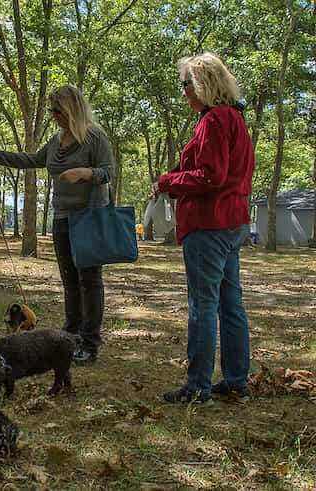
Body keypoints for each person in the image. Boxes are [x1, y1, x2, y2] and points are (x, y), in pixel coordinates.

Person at [0, 85, 115, 364]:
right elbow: (33, 159)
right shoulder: (56, 141)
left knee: (89, 282)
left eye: (58, 110)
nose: (54, 116)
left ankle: (90, 343)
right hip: (62, 218)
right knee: (70, 281)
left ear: (72, 110)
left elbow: (108, 172)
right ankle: (72, 335)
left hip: (88, 218)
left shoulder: (94, 137)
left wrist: (85, 173)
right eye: (53, 111)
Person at [155, 53, 254, 405]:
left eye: (186, 84)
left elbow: (211, 176)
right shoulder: (236, 120)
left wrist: (168, 180)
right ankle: (237, 381)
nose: (183, 92)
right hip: (233, 222)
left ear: (202, 85)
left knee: (203, 305)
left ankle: (198, 386)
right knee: (231, 304)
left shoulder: (213, 121)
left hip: (210, 224)